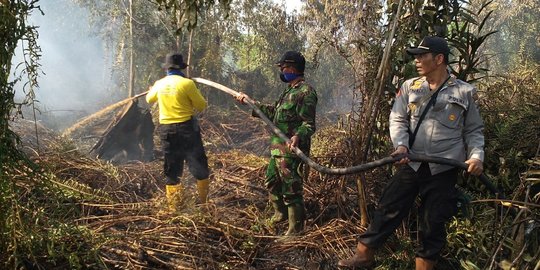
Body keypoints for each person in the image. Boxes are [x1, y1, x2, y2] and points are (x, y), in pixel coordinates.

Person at [338, 36, 484, 269]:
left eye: (422, 55)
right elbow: (398, 118)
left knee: (433, 221)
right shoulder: (410, 87)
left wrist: (476, 156)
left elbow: (474, 130)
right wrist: (401, 145)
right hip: (412, 162)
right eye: (415, 56)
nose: (416, 60)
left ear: (439, 59)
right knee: (388, 207)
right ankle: (363, 256)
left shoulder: (465, 92)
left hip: (444, 168)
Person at [236, 51, 318, 236]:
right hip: (277, 149)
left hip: (291, 151)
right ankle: (279, 214)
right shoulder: (289, 90)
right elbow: (273, 113)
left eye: (285, 67)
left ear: (295, 68)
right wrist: (250, 102)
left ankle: (295, 229)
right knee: (271, 181)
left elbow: (309, 124)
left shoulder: (306, 92)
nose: (282, 71)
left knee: (291, 189)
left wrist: (298, 136)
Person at [146, 52, 210, 212]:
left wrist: (152, 90)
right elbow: (201, 106)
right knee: (199, 166)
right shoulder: (187, 84)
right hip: (187, 129)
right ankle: (204, 205)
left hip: (167, 131)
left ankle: (175, 210)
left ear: (166, 69)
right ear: (182, 68)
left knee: (172, 168)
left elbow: (149, 99)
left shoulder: (159, 84)